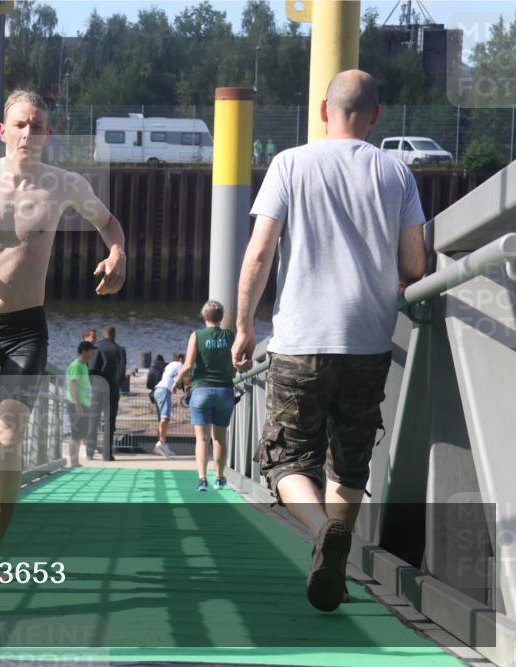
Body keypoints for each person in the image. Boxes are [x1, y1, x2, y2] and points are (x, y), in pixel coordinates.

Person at [232, 70, 427, 611]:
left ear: (323, 110)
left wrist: (244, 325)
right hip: (368, 341)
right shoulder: (397, 171)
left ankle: (321, 532)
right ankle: (334, 566)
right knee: (350, 464)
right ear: (376, 116)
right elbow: (415, 264)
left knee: (286, 461)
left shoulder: (290, 164)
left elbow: (259, 252)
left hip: (301, 341)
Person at [0, 89, 127, 582]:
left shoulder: (66, 185)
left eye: (37, 126)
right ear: (3, 130)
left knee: (8, 440)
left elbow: (110, 224)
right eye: (20, 124)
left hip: (25, 329)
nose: (28, 133)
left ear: (49, 134)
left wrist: (117, 254)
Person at [174, 300, 235, 491]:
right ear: (221, 316)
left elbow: (188, 366)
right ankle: (219, 478)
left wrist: (176, 381)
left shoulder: (197, 335)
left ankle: (202, 479)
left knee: (201, 439)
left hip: (201, 391)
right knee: (219, 439)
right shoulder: (229, 336)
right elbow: (235, 364)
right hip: (224, 391)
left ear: (204, 316)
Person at [91, 325, 127, 461]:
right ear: (114, 335)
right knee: (110, 421)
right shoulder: (120, 350)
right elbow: (122, 371)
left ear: (104, 334)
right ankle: (107, 454)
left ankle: (90, 451)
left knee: (93, 419)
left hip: (97, 388)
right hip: (112, 389)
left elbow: (92, 369)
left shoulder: (96, 348)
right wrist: (117, 384)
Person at [66, 341, 97, 466]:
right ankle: (73, 463)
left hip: (84, 404)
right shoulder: (77, 365)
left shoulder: (84, 365)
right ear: (84, 351)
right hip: (76, 405)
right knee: (75, 435)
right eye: (91, 351)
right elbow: (72, 384)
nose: (92, 354)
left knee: (80, 435)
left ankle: (76, 462)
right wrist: (77, 404)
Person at [152, 353, 184, 458]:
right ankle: (162, 443)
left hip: (158, 390)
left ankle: (159, 446)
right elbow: (184, 378)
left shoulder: (169, 365)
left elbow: (176, 381)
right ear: (180, 359)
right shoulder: (179, 364)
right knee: (165, 418)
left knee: (162, 419)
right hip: (165, 390)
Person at [82, 329, 101, 459]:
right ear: (85, 338)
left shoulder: (96, 351)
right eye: (92, 337)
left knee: (93, 419)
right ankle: (85, 445)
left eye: (95, 337)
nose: (94, 339)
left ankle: (90, 447)